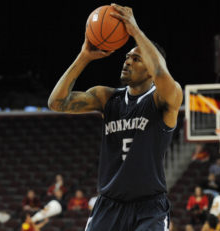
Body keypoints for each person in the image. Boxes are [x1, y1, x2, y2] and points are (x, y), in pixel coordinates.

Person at [47, 3, 183, 231]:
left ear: (150, 67)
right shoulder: (107, 97)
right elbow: (56, 103)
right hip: (108, 205)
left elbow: (161, 72)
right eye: (127, 56)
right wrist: (83, 56)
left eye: (136, 59)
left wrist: (135, 30)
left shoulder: (164, 100)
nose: (127, 61)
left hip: (149, 207)